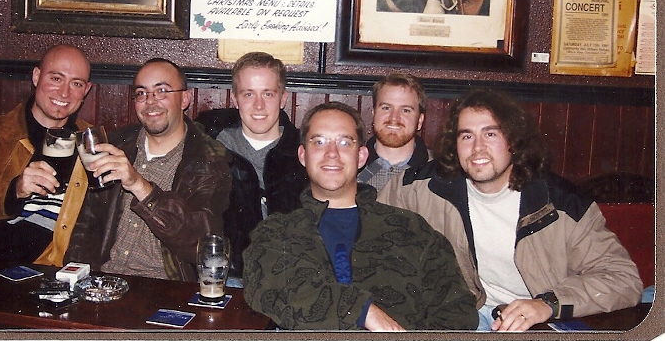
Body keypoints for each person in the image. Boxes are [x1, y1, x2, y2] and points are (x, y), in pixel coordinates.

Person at [378, 89, 643, 332]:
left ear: (513, 142)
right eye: (467, 136)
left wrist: (547, 304)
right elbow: (369, 233)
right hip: (464, 317)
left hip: (539, 322)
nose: (477, 147)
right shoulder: (420, 188)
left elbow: (623, 279)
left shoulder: (561, 204)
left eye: (490, 134)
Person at [243, 101, 478, 331]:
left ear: (362, 156)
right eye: (320, 142)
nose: (332, 153)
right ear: (303, 155)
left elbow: (457, 310)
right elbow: (268, 287)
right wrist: (364, 312)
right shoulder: (277, 232)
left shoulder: (411, 229)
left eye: (344, 142)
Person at [65, 58, 232, 281]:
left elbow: (201, 242)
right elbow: (86, 227)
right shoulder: (114, 145)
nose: (150, 102)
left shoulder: (210, 160)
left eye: (161, 91)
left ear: (184, 99)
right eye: (141, 93)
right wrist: (75, 280)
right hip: (102, 281)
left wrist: (140, 186)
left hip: (161, 287)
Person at [0, 44, 93, 268]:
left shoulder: (92, 142)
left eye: (76, 84)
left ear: (86, 90)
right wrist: (14, 190)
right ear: (36, 76)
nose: (64, 93)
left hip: (43, 266)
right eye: (56, 79)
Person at [196, 51, 307, 282]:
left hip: (289, 277)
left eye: (268, 93)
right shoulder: (210, 146)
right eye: (248, 94)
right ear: (235, 99)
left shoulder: (304, 153)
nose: (258, 105)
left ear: (283, 98)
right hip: (228, 275)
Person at [357, 73, 431, 191]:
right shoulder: (349, 170)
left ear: (420, 121)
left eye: (405, 110)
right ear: (374, 114)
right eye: (386, 108)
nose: (394, 118)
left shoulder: (440, 174)